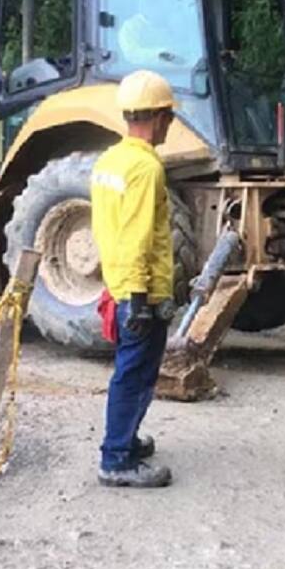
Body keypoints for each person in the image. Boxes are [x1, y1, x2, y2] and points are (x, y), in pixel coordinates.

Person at [90, 70, 178, 488]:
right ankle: (116, 458)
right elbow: (138, 235)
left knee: (135, 370)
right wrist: (141, 299)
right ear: (160, 117)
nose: (170, 126)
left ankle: (126, 439)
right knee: (134, 373)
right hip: (139, 291)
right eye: (169, 118)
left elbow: (112, 231)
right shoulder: (145, 169)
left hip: (120, 284)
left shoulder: (109, 161)